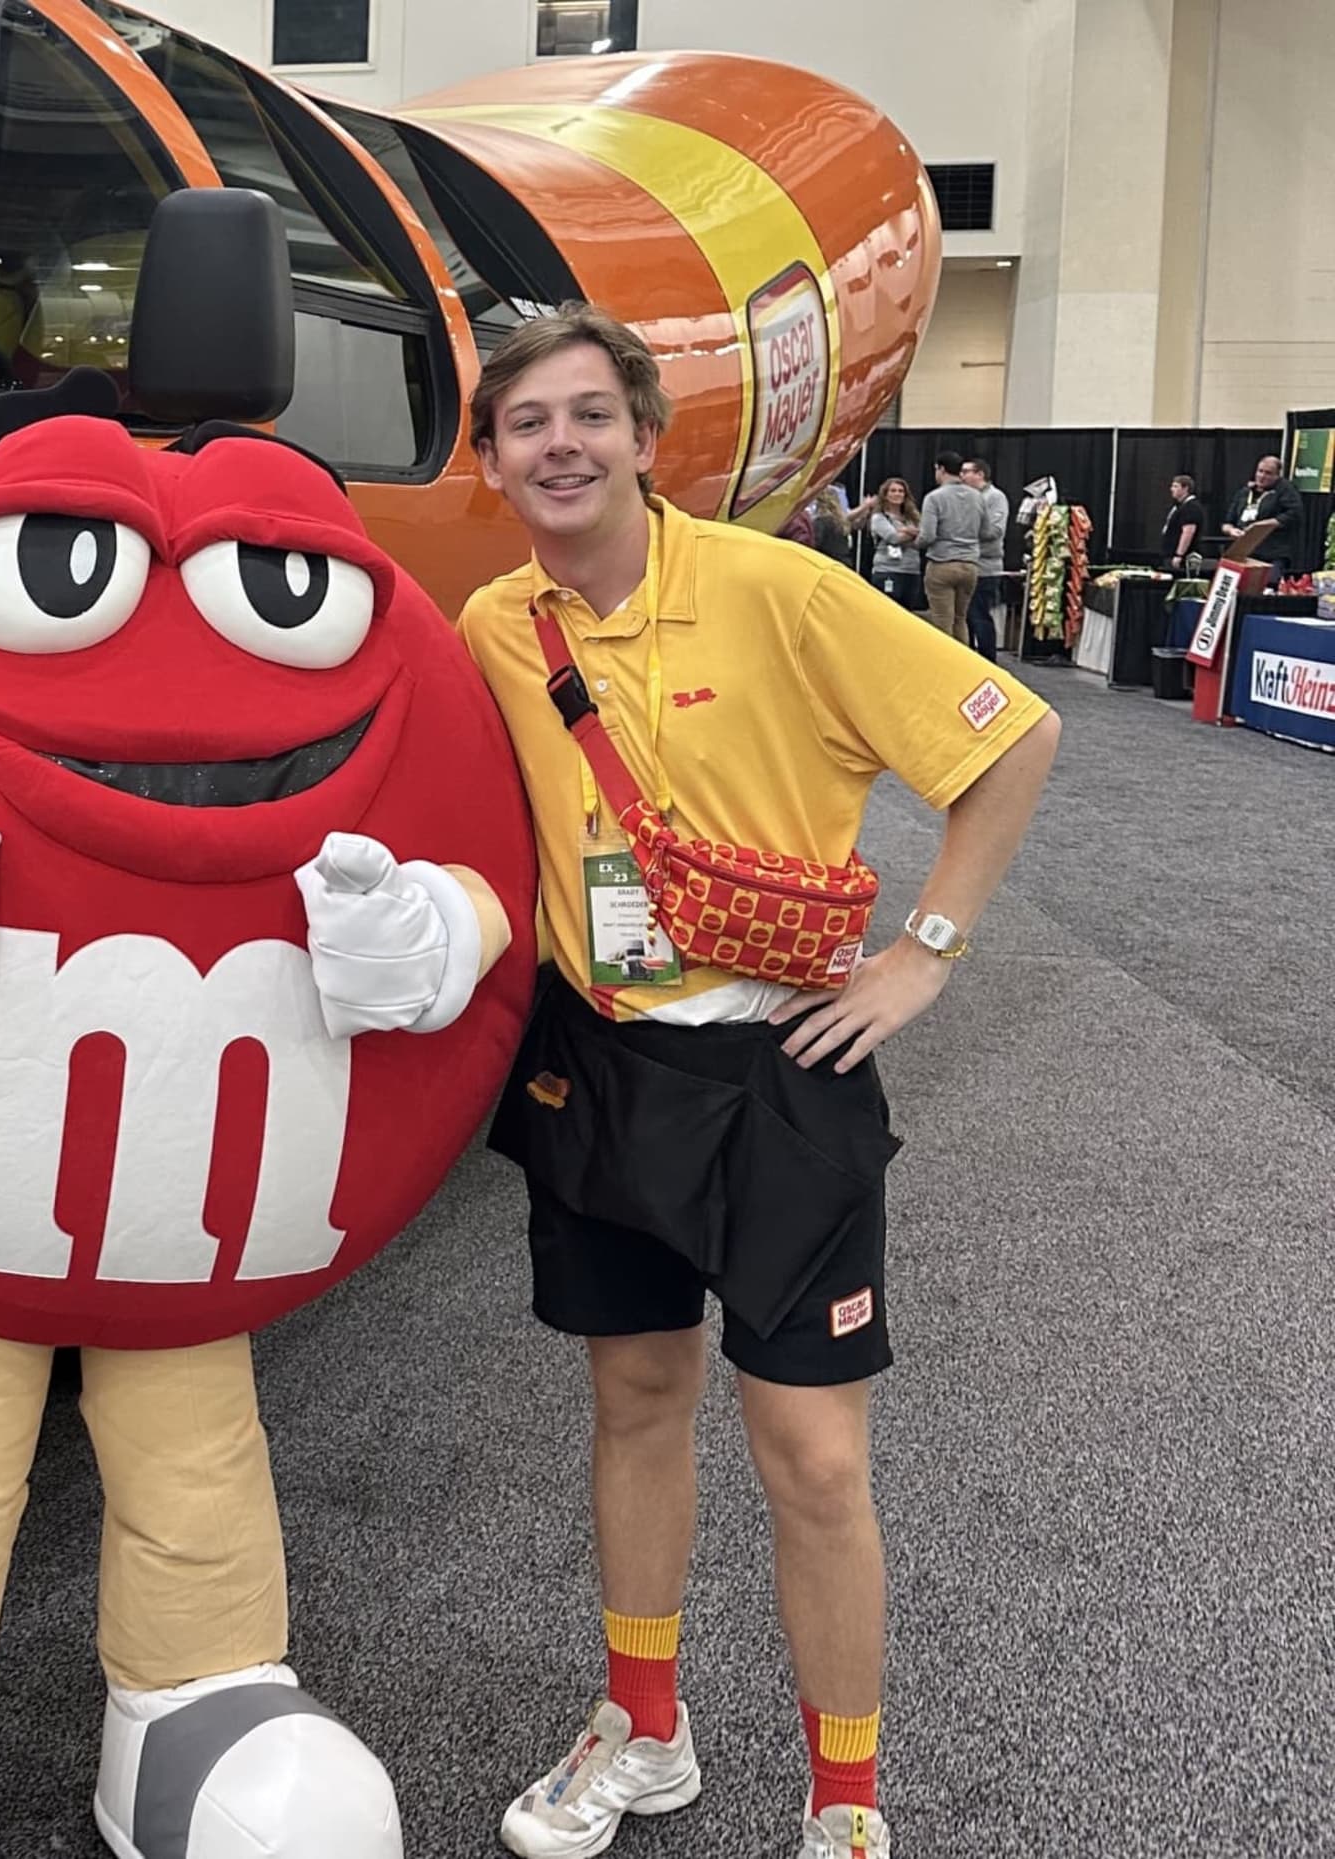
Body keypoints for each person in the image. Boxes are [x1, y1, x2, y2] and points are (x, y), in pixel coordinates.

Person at [455, 305, 1061, 1859]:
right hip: (598, 1062)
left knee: (814, 1450)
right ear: (495, 459)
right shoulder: (493, 630)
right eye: (530, 423)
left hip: (787, 1067)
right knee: (637, 1397)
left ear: (648, 439)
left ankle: (845, 1794)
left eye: (593, 414)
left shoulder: (777, 588)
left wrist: (925, 949)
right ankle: (645, 1728)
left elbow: (1013, 733)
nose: (564, 444)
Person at [915, 452, 985, 648]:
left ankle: (944, 669)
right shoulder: (977, 496)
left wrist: (914, 541)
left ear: (941, 469)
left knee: (942, 622)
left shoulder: (934, 498)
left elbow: (928, 536)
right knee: (960, 619)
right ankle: (966, 667)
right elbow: (987, 530)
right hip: (970, 565)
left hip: (942, 564)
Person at [957, 458, 1009, 661]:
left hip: (986, 567)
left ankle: (988, 660)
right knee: (966, 616)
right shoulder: (966, 497)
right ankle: (970, 658)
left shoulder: (995, 498)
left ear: (980, 474)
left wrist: (961, 532)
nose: (962, 476)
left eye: (966, 471)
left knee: (980, 615)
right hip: (965, 563)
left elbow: (995, 531)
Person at [1231, 454, 1305, 579]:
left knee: (1268, 586)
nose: (1262, 476)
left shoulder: (1285, 490)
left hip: (1273, 552)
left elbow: (1294, 514)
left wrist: (1263, 525)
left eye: (1268, 473)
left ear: (1277, 475)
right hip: (1245, 551)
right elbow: (1228, 521)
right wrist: (1231, 530)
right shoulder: (1245, 492)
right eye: (1260, 471)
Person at [854, 477, 921, 606]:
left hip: (911, 570)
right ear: (885, 495)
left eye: (901, 491)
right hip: (887, 569)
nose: (897, 494)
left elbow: (924, 536)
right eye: (893, 491)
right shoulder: (879, 517)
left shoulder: (913, 517)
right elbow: (893, 538)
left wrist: (906, 530)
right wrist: (913, 533)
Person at [1159, 473, 1207, 574]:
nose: (1172, 489)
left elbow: (1188, 532)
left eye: (1176, 486)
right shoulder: (1180, 506)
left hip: (1182, 558)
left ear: (1185, 488)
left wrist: (1179, 555)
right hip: (1170, 554)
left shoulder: (1191, 508)